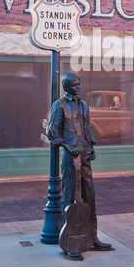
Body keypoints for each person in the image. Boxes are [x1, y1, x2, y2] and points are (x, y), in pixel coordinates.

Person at [46, 72, 112, 256]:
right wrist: (67, 146)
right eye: (74, 84)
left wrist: (90, 147)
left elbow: (87, 130)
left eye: (79, 83)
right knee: (69, 198)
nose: (78, 86)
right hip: (70, 157)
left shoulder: (83, 106)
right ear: (66, 86)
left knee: (90, 197)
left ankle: (92, 237)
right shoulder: (59, 105)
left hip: (84, 156)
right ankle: (69, 244)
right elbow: (52, 132)